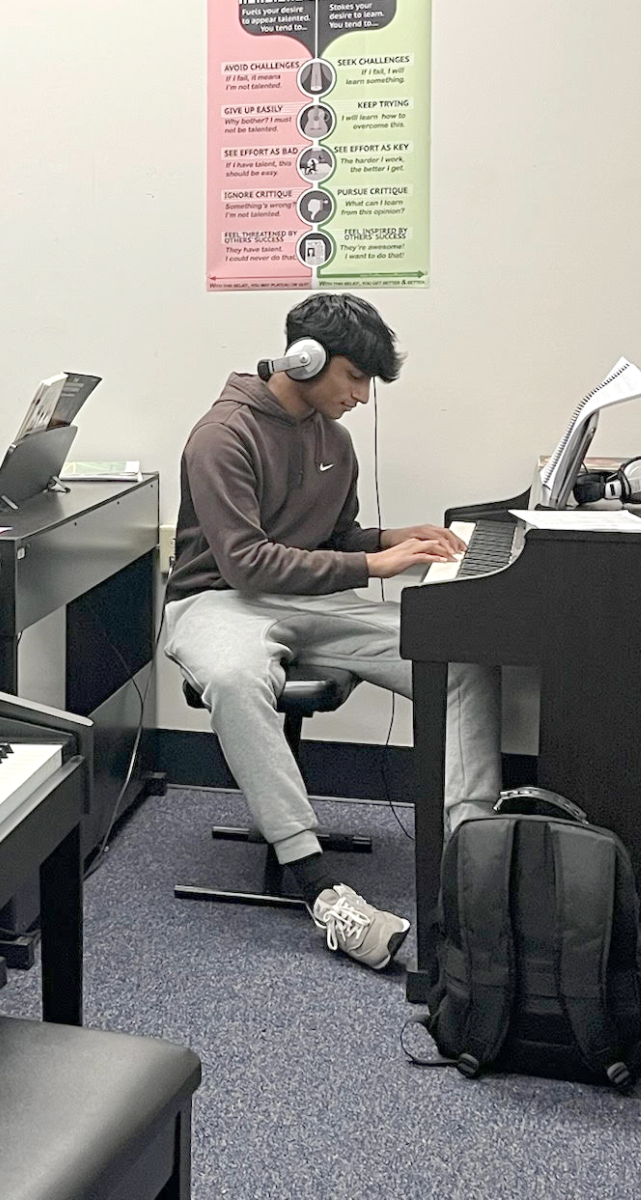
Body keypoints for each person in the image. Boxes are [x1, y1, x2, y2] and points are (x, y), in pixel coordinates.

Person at [165, 294, 502, 970]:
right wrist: (372, 563)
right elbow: (245, 560)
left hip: (302, 601)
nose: (361, 396)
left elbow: (334, 538)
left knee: (457, 660)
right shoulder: (221, 436)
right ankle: (318, 887)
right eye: (354, 377)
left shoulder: (332, 438)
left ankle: (476, 865)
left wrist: (387, 537)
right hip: (217, 599)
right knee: (235, 679)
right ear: (304, 359)